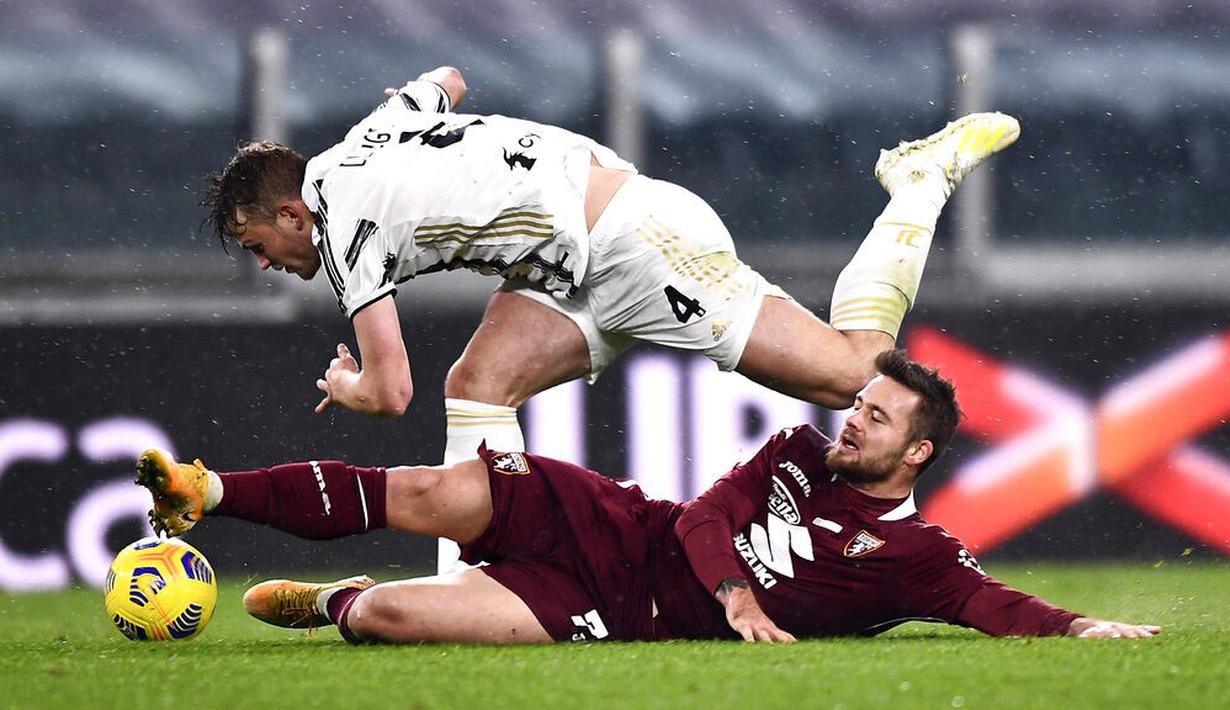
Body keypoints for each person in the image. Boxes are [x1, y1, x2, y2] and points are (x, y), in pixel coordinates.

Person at [203, 65, 1019, 571]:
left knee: (852, 374)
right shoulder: (367, 136)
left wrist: (348, 388)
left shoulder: (338, 224)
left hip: (638, 242)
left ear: (289, 209)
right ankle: (475, 589)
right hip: (569, 265)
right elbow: (446, 78)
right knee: (480, 383)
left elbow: (389, 394)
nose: (267, 262)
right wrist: (427, 117)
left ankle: (919, 182)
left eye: (258, 243)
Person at [135, 350, 1159, 643]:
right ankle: (206, 487)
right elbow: (708, 516)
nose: (853, 421)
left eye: (877, 420)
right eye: (859, 405)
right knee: (423, 491)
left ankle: (329, 599)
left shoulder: (919, 555)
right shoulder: (798, 449)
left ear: (918, 450)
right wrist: (738, 597)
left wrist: (1078, 626)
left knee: (394, 613)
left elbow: (990, 604)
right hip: (610, 520)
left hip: (613, 610)